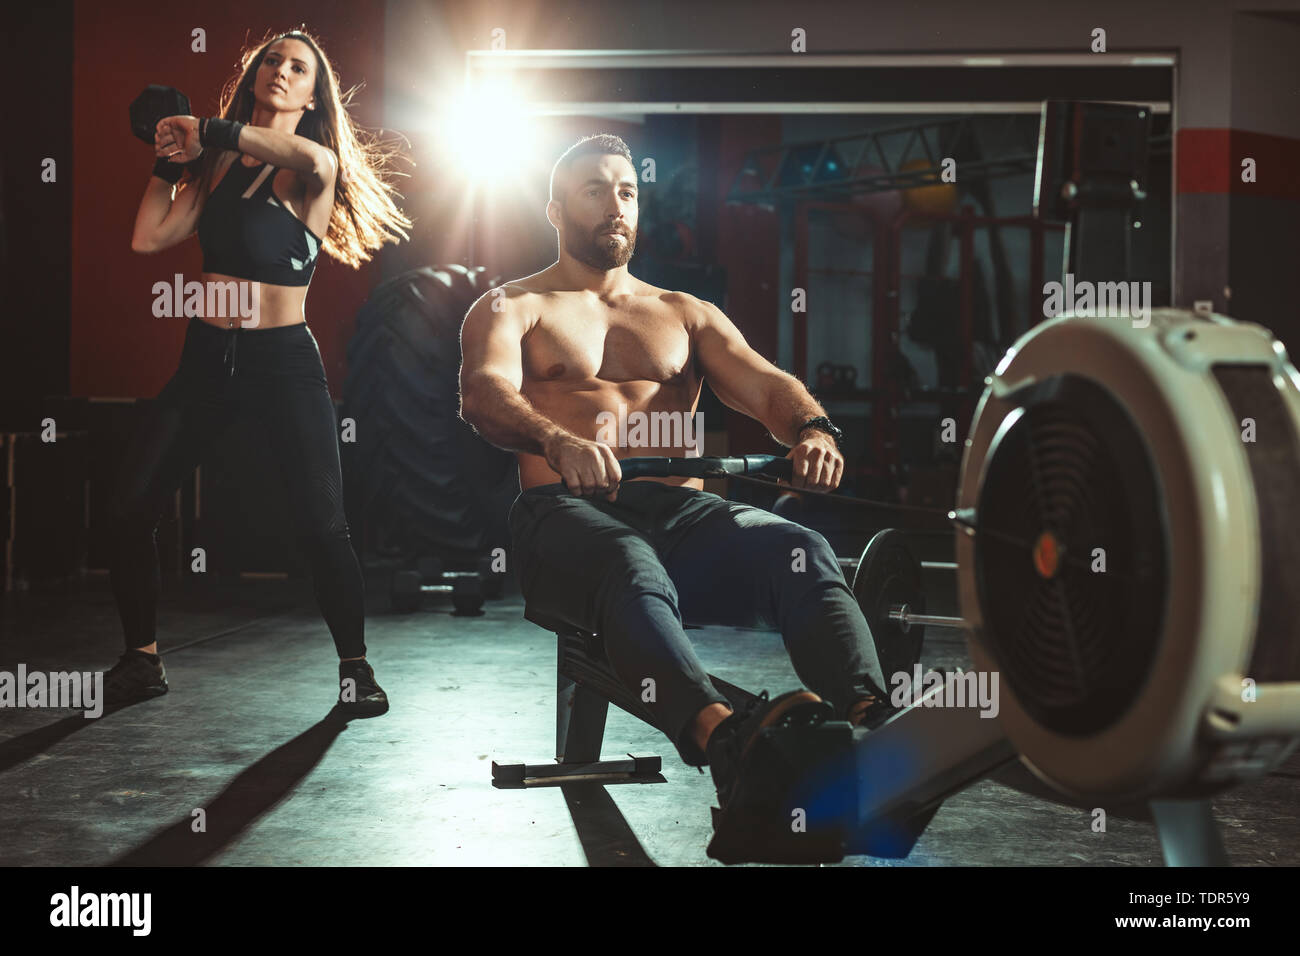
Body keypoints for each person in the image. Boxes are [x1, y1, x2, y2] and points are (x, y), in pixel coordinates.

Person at [459, 133, 893, 807]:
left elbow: (763, 383)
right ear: (555, 211)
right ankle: (727, 745)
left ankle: (873, 722)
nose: (615, 205)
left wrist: (813, 429)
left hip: (683, 522)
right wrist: (557, 441)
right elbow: (483, 393)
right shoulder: (512, 305)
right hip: (565, 520)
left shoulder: (684, 313)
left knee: (801, 549)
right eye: (594, 190)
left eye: (627, 191)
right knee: (630, 564)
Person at [105, 29, 411, 715]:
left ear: (312, 95)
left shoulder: (312, 166)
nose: (280, 70)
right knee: (129, 507)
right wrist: (168, 158)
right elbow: (148, 235)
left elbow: (305, 154)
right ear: (254, 76)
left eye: (297, 66)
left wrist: (208, 129)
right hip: (207, 359)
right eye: (271, 60)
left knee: (321, 525)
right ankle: (141, 660)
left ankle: (355, 670)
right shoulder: (215, 164)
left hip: (282, 363)